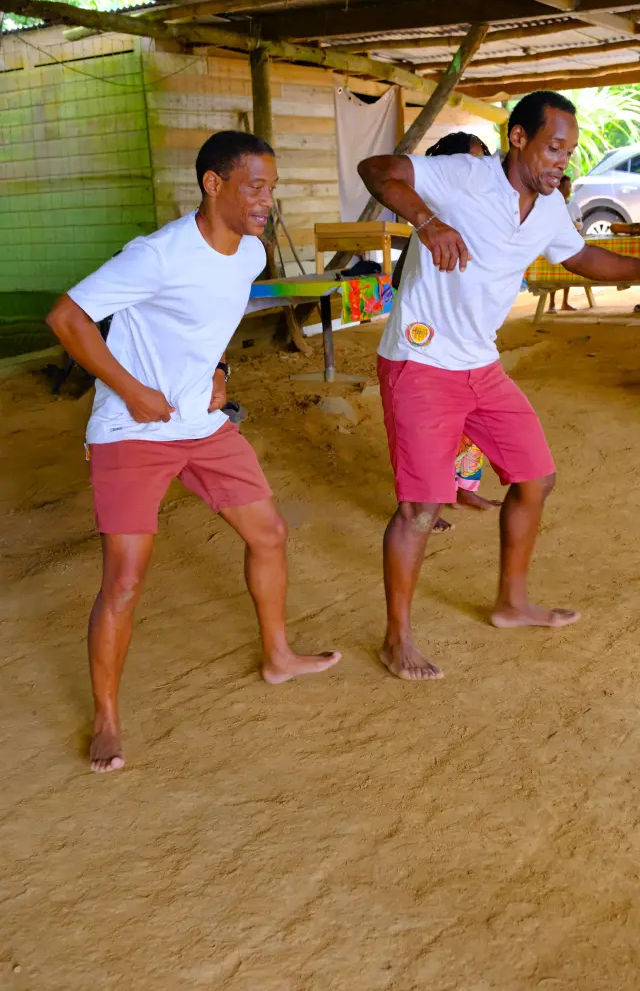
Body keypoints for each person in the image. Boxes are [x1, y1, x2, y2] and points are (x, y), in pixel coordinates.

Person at [47, 130, 340, 772]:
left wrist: (222, 372)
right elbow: (67, 318)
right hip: (132, 431)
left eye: (272, 186)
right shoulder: (156, 255)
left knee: (268, 533)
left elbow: (211, 324)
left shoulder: (250, 255)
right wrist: (132, 391)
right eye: (255, 186)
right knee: (124, 581)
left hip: (203, 427)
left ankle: (278, 655)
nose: (268, 199)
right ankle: (106, 718)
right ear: (214, 183)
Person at [358, 89, 640, 681]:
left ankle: (512, 603)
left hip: (479, 365)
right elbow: (377, 170)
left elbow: (584, 257)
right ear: (518, 138)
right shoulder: (464, 174)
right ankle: (397, 639)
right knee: (419, 507)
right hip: (420, 360)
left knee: (536, 478)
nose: (562, 161)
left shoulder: (548, 208)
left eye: (569, 152)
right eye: (553, 148)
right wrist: (428, 223)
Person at [392, 132, 500, 532]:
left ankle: (463, 487)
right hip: (429, 342)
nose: (480, 168)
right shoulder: (432, 218)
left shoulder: (487, 212)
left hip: (470, 339)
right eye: (471, 161)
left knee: (469, 423)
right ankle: (422, 502)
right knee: (426, 427)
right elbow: (406, 278)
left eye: (483, 159)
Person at [548, 174, 583, 313]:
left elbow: (580, 224)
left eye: (569, 187)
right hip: (555, 242)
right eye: (566, 187)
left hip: (569, 242)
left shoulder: (573, 206)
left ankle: (565, 302)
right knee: (554, 273)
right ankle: (551, 304)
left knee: (566, 273)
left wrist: (572, 224)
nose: (568, 190)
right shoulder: (551, 205)